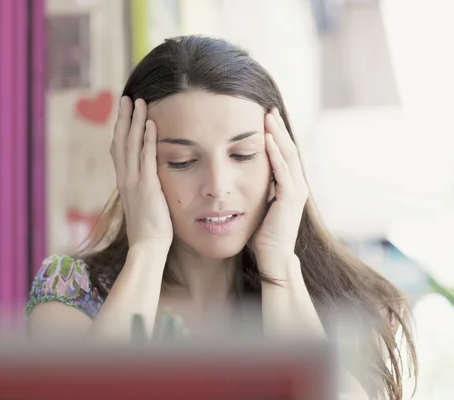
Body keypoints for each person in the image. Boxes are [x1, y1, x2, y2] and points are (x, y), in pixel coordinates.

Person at [26, 35, 417, 399]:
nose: (217, 185)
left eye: (243, 155)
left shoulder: (354, 304)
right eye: (182, 161)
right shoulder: (71, 292)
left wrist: (279, 259)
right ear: (134, 167)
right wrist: (147, 249)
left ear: (281, 159)